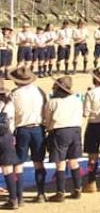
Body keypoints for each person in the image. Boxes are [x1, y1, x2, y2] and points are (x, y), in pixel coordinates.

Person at [44, 76, 85, 201]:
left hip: (60, 131)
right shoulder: (77, 100)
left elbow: (47, 119)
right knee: (73, 161)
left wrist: (48, 128)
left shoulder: (53, 102)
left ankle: (60, 192)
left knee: (60, 163)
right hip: (75, 130)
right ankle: (78, 189)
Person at [11, 66, 47, 202]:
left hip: (21, 129)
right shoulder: (39, 91)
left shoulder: (15, 94)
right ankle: (41, 193)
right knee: (39, 162)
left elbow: (10, 113)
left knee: (18, 163)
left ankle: (18, 196)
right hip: (38, 128)